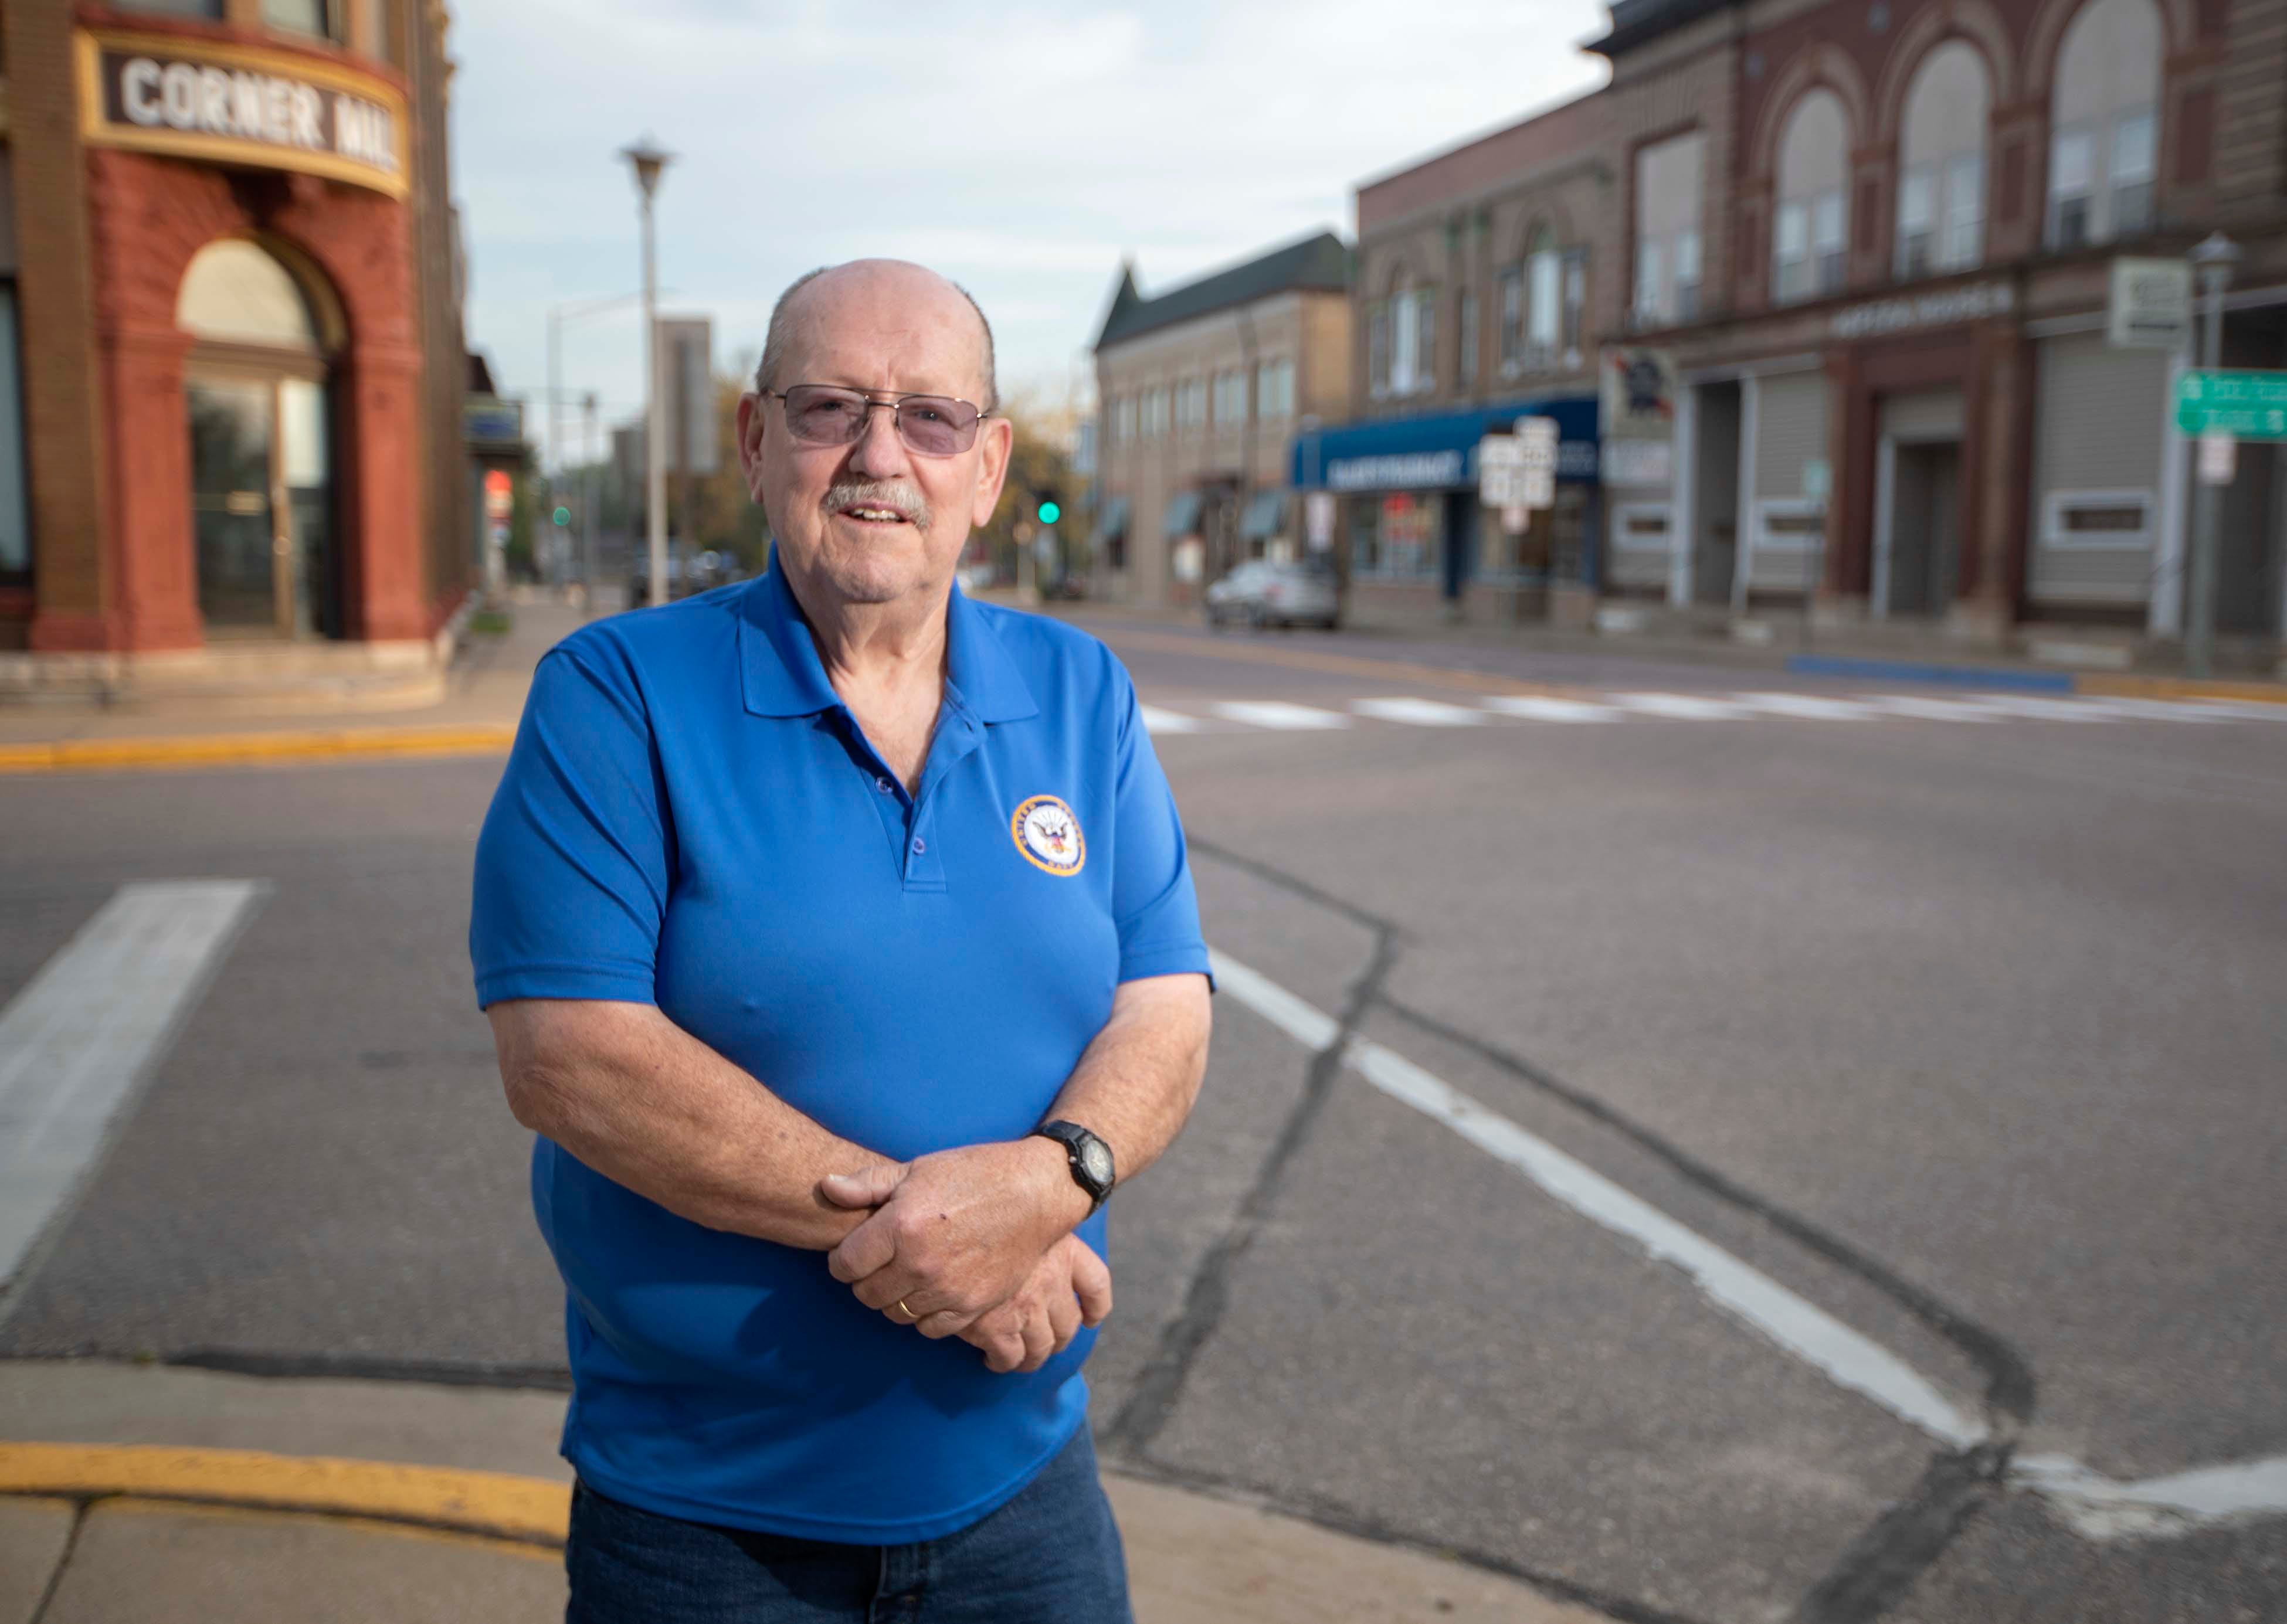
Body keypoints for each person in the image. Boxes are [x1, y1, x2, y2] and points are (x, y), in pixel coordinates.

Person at [469, 259, 1213, 1623]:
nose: (882, 454)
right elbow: (570, 1057)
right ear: (757, 442)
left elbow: (1165, 1004)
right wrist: (950, 1239)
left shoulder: (1080, 688)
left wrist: (1052, 1183)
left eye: (932, 418)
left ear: (989, 466)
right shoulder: (615, 693)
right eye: (831, 409)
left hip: (1029, 1496)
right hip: (710, 1528)